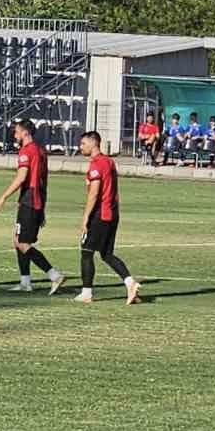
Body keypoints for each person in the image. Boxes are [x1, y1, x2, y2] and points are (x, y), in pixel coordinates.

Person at [0, 118, 64, 294]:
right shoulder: (40, 150)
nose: (14, 135)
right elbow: (44, 181)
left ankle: (54, 274)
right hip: (36, 200)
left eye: (16, 132)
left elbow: (21, 177)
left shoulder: (26, 151)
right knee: (18, 241)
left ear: (25, 133)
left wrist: (3, 197)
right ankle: (25, 282)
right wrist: (43, 207)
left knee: (22, 243)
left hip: (30, 200)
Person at [75, 131, 140, 305]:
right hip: (112, 213)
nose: (80, 147)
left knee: (86, 252)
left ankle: (86, 293)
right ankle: (130, 283)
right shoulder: (109, 161)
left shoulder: (97, 164)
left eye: (83, 144)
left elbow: (95, 193)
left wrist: (85, 217)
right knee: (106, 254)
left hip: (100, 214)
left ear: (93, 143)